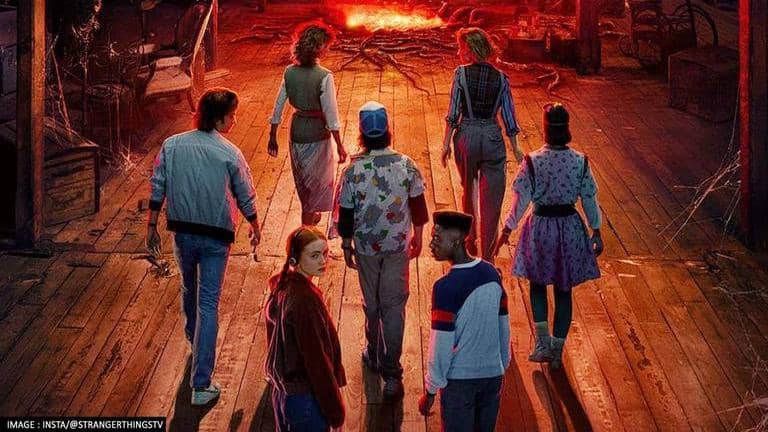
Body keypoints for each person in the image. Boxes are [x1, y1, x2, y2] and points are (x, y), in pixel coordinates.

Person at [147, 87, 261, 405]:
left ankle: (193, 338)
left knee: (189, 289)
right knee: (209, 304)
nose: (235, 121)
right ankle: (201, 384)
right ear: (220, 119)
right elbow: (245, 193)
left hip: (182, 232)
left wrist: (151, 226)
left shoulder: (172, 145)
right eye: (232, 115)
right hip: (216, 235)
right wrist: (254, 224)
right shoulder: (230, 153)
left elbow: (157, 185)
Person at [495, 102, 603, 369]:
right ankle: (556, 351)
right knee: (564, 290)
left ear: (545, 129)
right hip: (569, 228)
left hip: (541, 229)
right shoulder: (580, 161)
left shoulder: (532, 162)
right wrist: (596, 230)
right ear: (567, 129)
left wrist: (506, 229)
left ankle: (542, 343)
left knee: (538, 284)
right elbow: (589, 198)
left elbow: (520, 201)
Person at [337, 101, 429, 398]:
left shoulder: (353, 171)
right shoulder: (407, 165)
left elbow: (346, 213)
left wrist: (346, 244)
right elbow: (418, 206)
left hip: (366, 247)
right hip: (397, 246)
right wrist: (418, 236)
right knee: (394, 306)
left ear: (361, 134)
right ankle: (392, 374)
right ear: (389, 131)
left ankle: (373, 351)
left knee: (372, 303)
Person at [419, 211, 510, 431]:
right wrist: (501, 364)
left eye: (437, 237)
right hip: (492, 376)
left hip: (460, 382)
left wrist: (430, 390)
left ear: (457, 238)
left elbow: (441, 345)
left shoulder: (445, 288)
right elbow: (503, 327)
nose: (431, 244)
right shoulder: (491, 274)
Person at [441, 27, 524, 263]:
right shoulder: (501, 78)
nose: (458, 52)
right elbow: (509, 116)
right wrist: (516, 147)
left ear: (469, 51)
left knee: (468, 190)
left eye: (460, 48)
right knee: (492, 199)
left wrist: (446, 144)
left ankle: (470, 242)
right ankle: (487, 258)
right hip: (491, 136)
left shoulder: (460, 75)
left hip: (466, 135)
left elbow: (453, 114)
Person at [265, 226, 346, 431]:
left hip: (283, 393)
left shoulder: (283, 285)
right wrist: (335, 410)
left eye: (325, 254)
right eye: (314, 255)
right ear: (295, 260)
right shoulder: (304, 301)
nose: (323, 261)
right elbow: (316, 359)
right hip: (305, 399)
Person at [269, 21, 348, 226]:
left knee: (303, 179)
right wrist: (339, 145)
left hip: (296, 131)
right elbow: (331, 115)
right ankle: (307, 225)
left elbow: (278, 105)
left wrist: (272, 135)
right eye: (326, 46)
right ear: (318, 48)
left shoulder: (289, 72)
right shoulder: (324, 76)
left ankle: (310, 215)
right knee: (318, 181)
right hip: (317, 133)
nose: (328, 49)